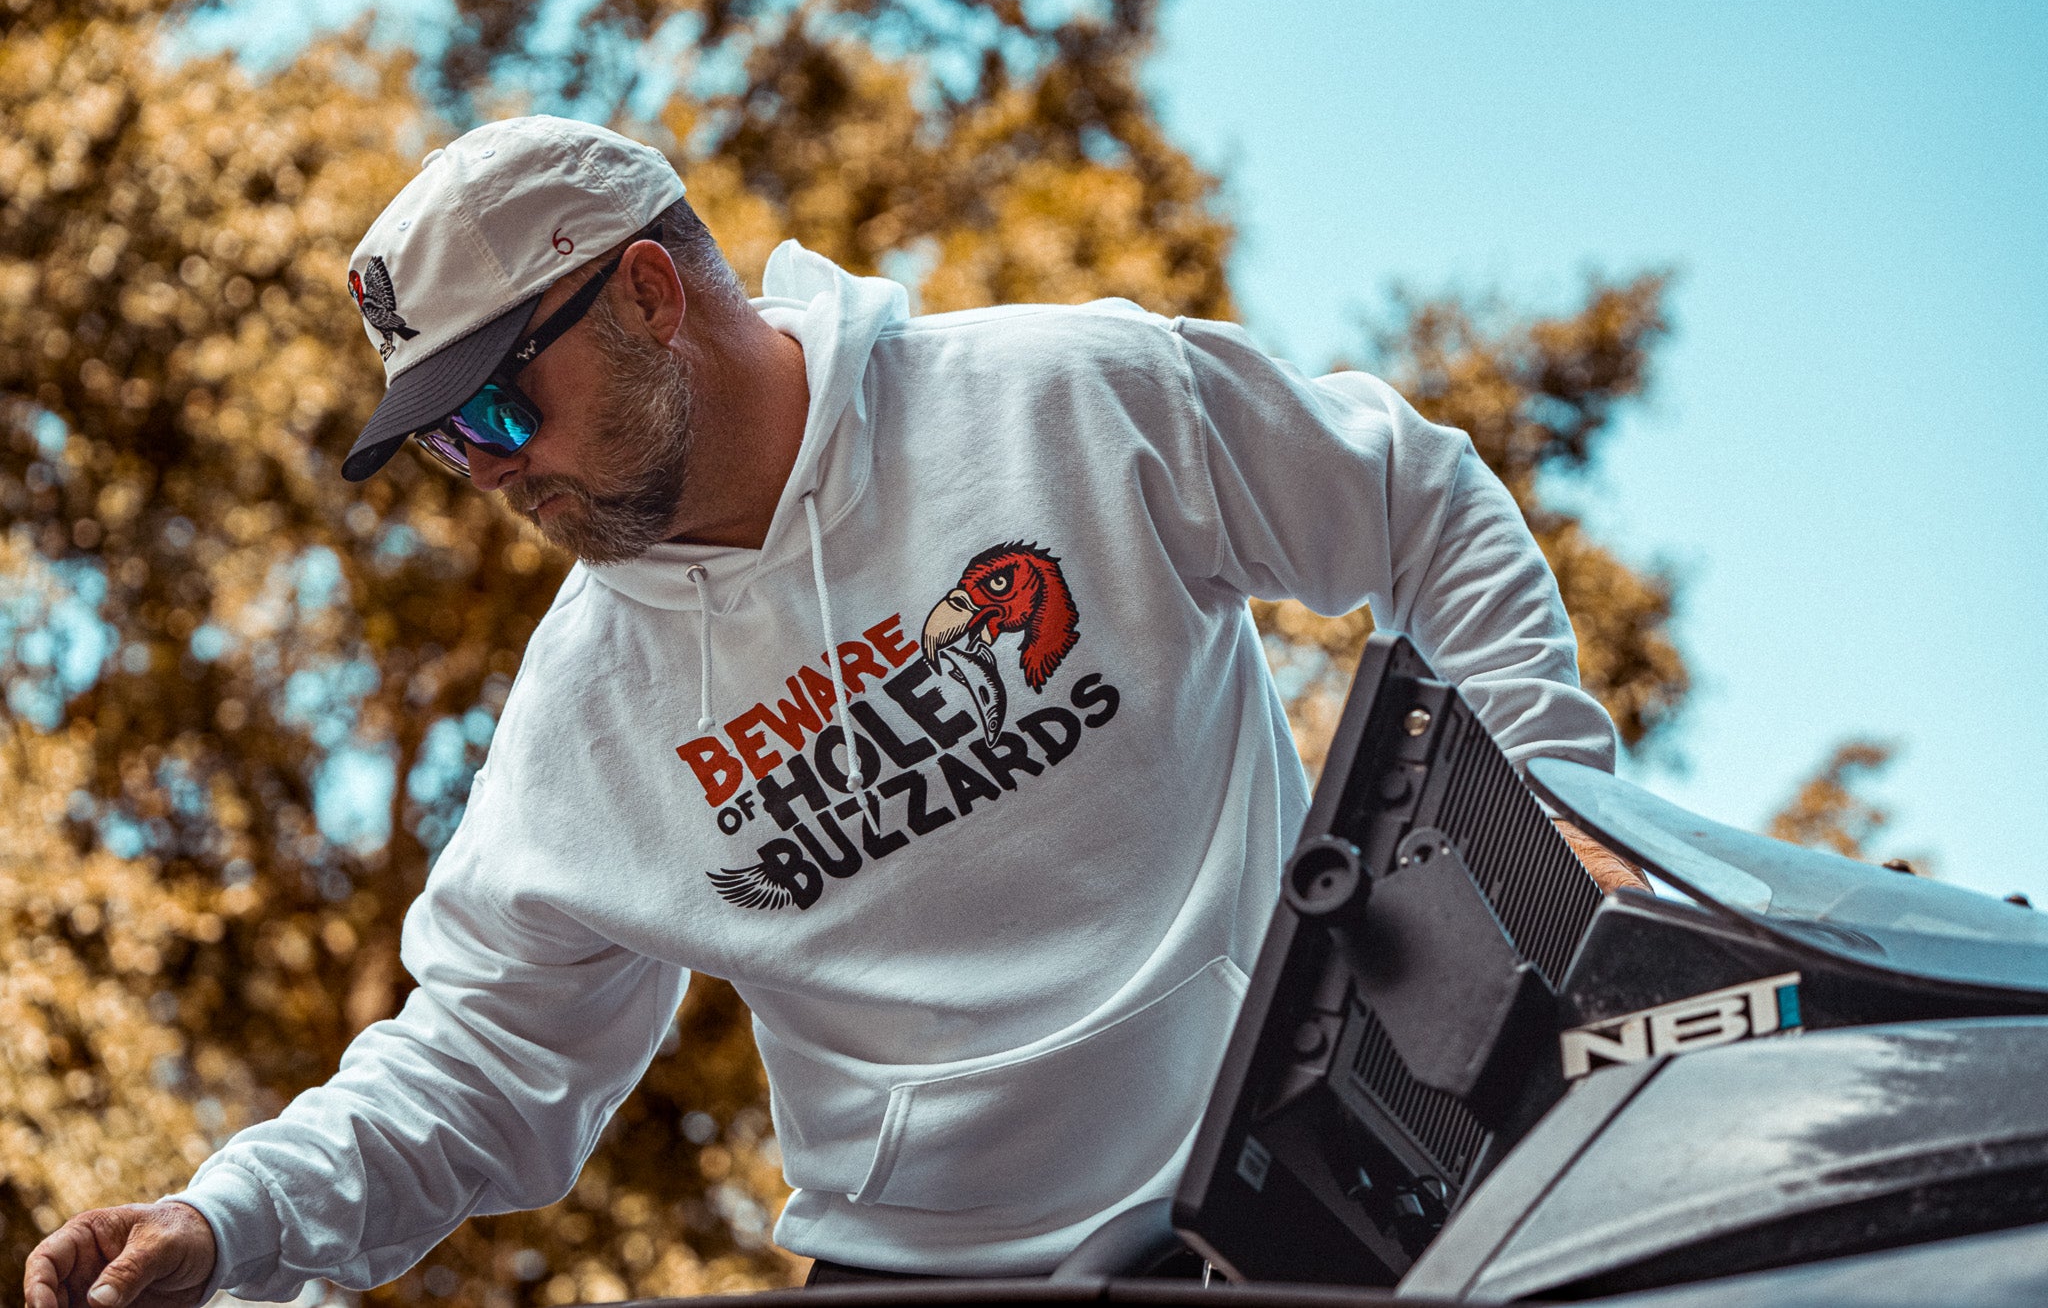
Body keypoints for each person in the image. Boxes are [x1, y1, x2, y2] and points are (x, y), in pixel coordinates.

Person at [25, 115, 1640, 1308]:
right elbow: (484, 1059)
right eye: (446, 446)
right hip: (918, 1273)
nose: (490, 472)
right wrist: (230, 1216)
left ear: (649, 294)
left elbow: (1418, 503)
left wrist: (1555, 829)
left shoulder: (1069, 398)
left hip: (1314, 1188)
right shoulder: (584, 712)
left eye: (500, 408)